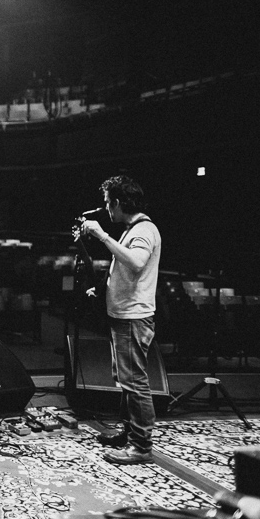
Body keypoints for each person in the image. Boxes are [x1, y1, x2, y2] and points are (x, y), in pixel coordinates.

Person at [79, 175, 161, 465]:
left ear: (117, 202)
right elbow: (126, 268)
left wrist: (101, 236)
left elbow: (136, 262)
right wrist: (103, 288)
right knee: (126, 380)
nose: (107, 210)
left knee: (135, 383)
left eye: (107, 203)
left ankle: (141, 446)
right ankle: (130, 435)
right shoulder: (133, 229)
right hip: (124, 315)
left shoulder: (144, 230)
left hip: (132, 317)